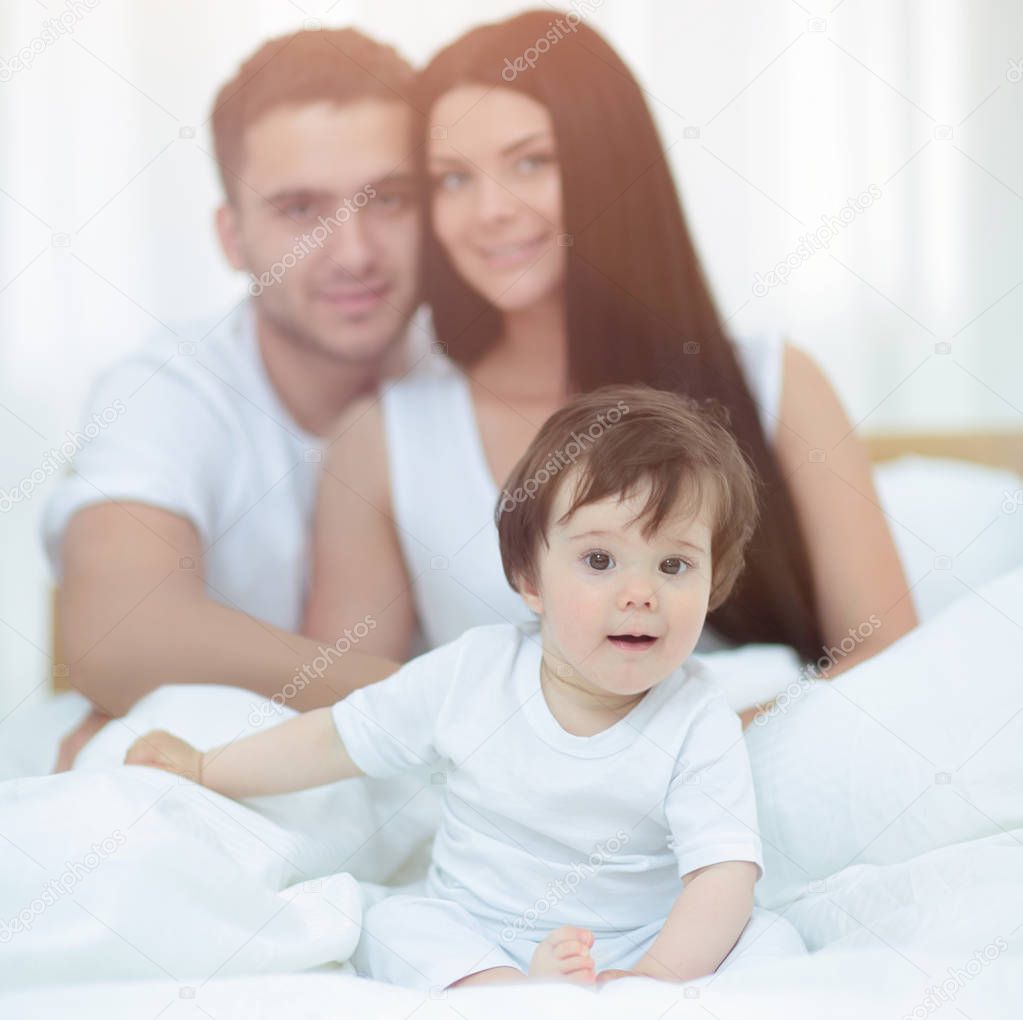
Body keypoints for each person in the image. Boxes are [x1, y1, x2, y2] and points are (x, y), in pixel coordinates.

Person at [304, 10, 918, 728]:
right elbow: (350, 710)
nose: (489, 211)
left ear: (607, 166)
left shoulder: (776, 383)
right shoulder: (382, 439)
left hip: (756, 797)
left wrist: (664, 762)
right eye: (451, 179)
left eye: (531, 162)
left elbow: (887, 656)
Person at [124, 384, 807, 990]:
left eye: (673, 564)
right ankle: (502, 992)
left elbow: (721, 875)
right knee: (390, 921)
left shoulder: (696, 719)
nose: (639, 594)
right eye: (599, 560)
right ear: (530, 579)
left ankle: (588, 1001)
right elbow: (339, 739)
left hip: (643, 943)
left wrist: (650, 978)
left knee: (771, 938)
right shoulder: (472, 674)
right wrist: (207, 767)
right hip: (478, 929)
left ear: (712, 584)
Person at [45, 28, 447, 770]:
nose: (354, 251)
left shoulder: (476, 375)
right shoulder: (168, 390)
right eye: (300, 209)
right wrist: (434, 703)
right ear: (233, 237)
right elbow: (120, 635)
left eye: (388, 199)